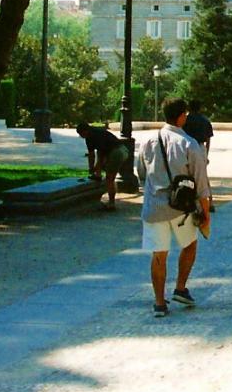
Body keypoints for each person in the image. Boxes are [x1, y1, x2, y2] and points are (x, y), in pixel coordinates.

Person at [136, 97, 211, 318]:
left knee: (159, 254)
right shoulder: (190, 144)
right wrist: (206, 213)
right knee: (189, 245)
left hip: (155, 207)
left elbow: (141, 172)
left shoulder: (148, 141)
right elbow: (202, 184)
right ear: (181, 116)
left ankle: (159, 302)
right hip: (182, 207)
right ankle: (180, 287)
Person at [76, 122, 129, 211]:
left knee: (109, 178)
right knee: (108, 173)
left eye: (81, 134)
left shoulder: (96, 135)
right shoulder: (90, 136)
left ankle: (111, 204)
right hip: (120, 150)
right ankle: (98, 175)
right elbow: (91, 154)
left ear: (86, 131)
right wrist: (91, 168)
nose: (81, 136)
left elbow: (101, 157)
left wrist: (95, 169)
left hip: (117, 152)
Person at [183, 100, 216, 212]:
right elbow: (208, 139)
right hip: (201, 147)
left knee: (188, 174)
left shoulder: (185, 120)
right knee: (203, 176)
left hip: (188, 146)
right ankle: (210, 201)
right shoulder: (205, 121)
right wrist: (206, 153)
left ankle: (190, 199)